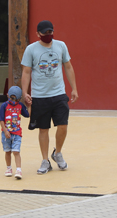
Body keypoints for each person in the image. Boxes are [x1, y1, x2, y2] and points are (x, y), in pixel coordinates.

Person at [21, 20, 79, 174]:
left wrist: (74, 88)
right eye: (45, 33)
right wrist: (25, 92)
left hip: (59, 94)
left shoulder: (61, 46)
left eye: (50, 32)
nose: (48, 35)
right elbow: (26, 71)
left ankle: (57, 153)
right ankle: (45, 161)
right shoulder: (31, 49)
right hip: (40, 96)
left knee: (63, 125)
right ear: (37, 34)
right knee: (43, 129)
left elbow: (68, 66)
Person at [0, 86, 29, 179]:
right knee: (7, 151)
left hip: (17, 133)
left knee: (16, 151)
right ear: (8, 95)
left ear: (20, 99)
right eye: (12, 98)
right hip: (6, 134)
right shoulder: (4, 106)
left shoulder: (20, 106)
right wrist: (5, 130)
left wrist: (29, 105)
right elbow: (1, 119)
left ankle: (19, 170)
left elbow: (28, 115)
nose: (14, 101)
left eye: (16, 99)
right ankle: (8, 168)